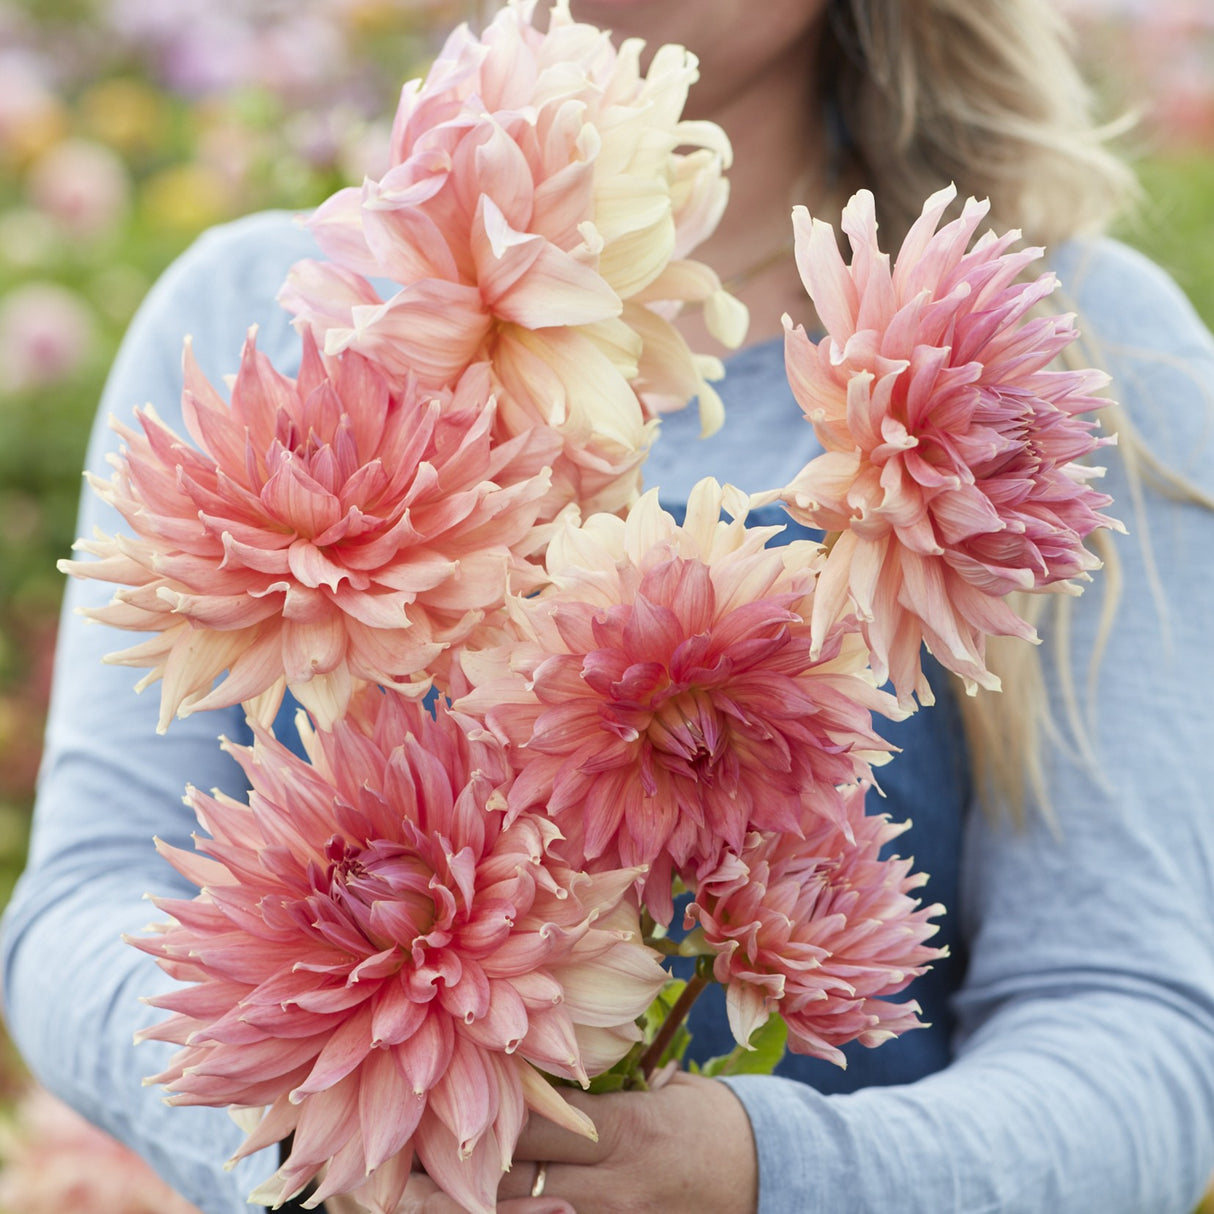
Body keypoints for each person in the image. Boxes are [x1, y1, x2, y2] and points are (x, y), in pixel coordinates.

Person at [5, 1, 1214, 1212]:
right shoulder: (247, 310)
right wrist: (325, 1147)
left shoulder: (1073, 351)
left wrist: (762, 1172)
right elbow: (84, 900)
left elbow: (1136, 1032)